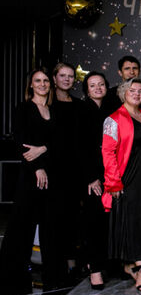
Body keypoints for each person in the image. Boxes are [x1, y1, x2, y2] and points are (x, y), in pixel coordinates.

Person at [0, 69, 65, 295]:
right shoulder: (23, 109)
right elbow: (22, 144)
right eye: (38, 81)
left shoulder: (55, 110)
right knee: (22, 225)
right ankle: (12, 276)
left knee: (51, 227)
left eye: (46, 80)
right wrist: (37, 167)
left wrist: (44, 148)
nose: (42, 84)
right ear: (31, 85)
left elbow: (60, 143)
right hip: (31, 175)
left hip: (53, 176)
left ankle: (53, 276)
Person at [102, 78, 141, 292]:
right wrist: (113, 182)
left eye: (140, 91)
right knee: (134, 221)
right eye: (132, 90)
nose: (137, 94)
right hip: (129, 178)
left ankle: (131, 264)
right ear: (123, 93)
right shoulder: (113, 119)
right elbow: (108, 152)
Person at [80, 71, 115, 290]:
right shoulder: (81, 110)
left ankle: (106, 264)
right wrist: (91, 177)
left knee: (107, 221)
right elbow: (80, 147)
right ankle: (94, 269)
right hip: (92, 175)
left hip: (110, 172)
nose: (98, 88)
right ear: (87, 89)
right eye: (93, 85)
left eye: (101, 84)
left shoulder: (111, 109)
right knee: (93, 222)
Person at [50, 62, 85, 276]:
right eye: (62, 76)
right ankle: (55, 262)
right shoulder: (47, 103)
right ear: (54, 79)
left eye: (70, 76)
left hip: (74, 168)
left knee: (73, 216)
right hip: (53, 168)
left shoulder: (79, 105)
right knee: (55, 217)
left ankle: (71, 260)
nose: (67, 79)